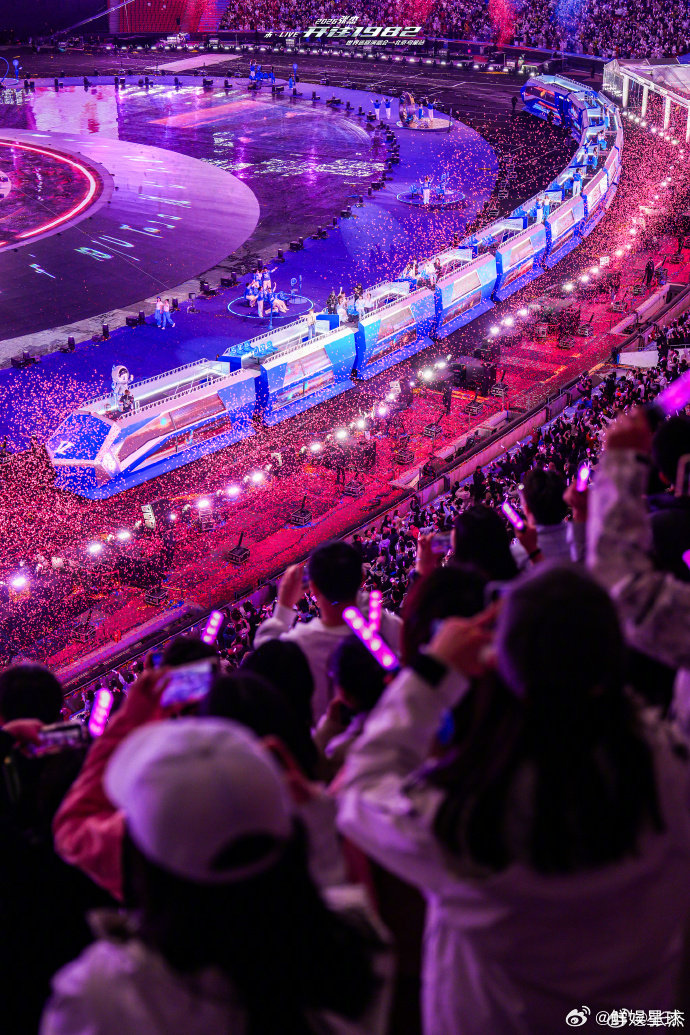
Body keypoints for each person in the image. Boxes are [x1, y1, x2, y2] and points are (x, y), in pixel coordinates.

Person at [337, 566, 690, 1035]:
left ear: (498, 663)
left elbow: (361, 789)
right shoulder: (670, 763)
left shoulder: (467, 821)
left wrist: (432, 672)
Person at [43, 718, 391, 1035]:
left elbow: (74, 827)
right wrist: (318, 821)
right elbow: (325, 894)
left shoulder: (100, 994)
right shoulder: (355, 942)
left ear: (144, 866)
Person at [253, 542, 401, 722]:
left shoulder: (300, 643)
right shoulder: (389, 625)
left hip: (326, 736)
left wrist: (284, 606)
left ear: (313, 588)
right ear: (362, 577)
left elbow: (262, 660)